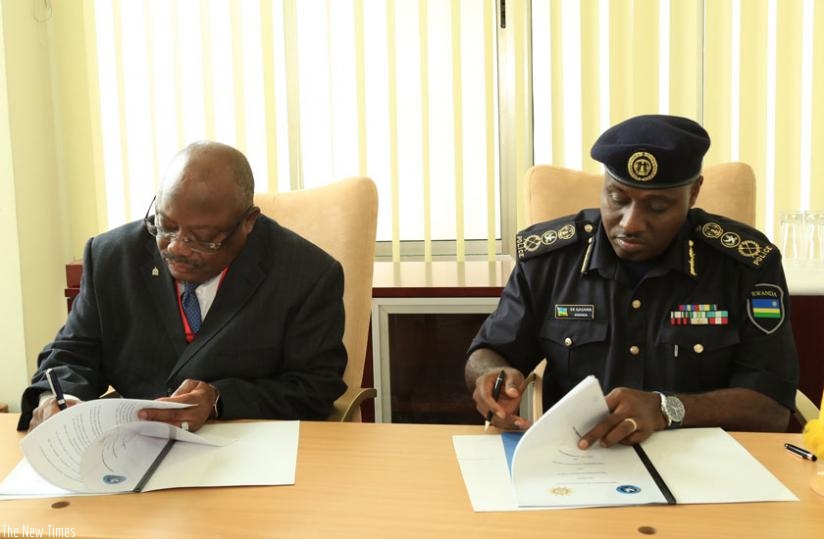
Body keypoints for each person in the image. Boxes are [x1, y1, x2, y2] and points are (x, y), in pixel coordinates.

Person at [465, 114, 799, 449]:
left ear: (694, 192)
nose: (632, 223)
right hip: (580, 460)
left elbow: (770, 408)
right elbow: (489, 351)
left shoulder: (747, 266)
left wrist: (667, 408)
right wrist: (490, 379)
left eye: (657, 207)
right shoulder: (549, 261)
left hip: (705, 459)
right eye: (618, 199)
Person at [19, 141, 347, 432]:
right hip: (130, 454)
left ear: (248, 222)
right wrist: (57, 399)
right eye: (165, 225)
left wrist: (220, 399)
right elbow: (72, 355)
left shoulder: (306, 274)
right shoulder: (111, 258)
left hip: (248, 450)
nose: (176, 247)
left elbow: (314, 386)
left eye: (203, 238)